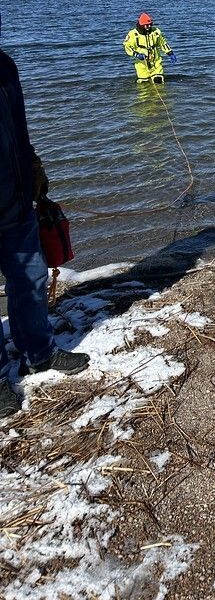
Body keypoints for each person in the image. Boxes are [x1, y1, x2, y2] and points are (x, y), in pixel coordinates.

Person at [1, 43, 89, 418]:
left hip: (15, 201)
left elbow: (17, 128)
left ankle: (39, 353)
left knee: (32, 278)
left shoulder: (4, 66)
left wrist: (34, 165)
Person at [123, 12, 176, 83]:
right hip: (142, 63)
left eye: (149, 25)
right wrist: (136, 54)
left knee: (159, 80)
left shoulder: (156, 32)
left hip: (156, 61)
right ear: (141, 25)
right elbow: (127, 46)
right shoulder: (133, 34)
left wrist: (170, 53)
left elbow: (162, 43)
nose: (148, 27)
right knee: (144, 83)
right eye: (146, 25)